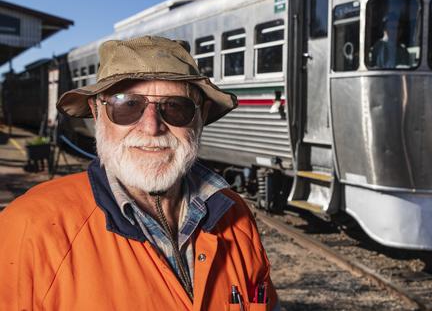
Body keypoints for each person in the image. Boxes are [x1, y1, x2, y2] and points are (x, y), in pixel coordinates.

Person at [0, 36, 279, 311]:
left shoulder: (235, 216)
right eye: (127, 105)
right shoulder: (31, 226)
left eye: (175, 106)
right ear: (97, 113)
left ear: (200, 117)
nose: (152, 126)